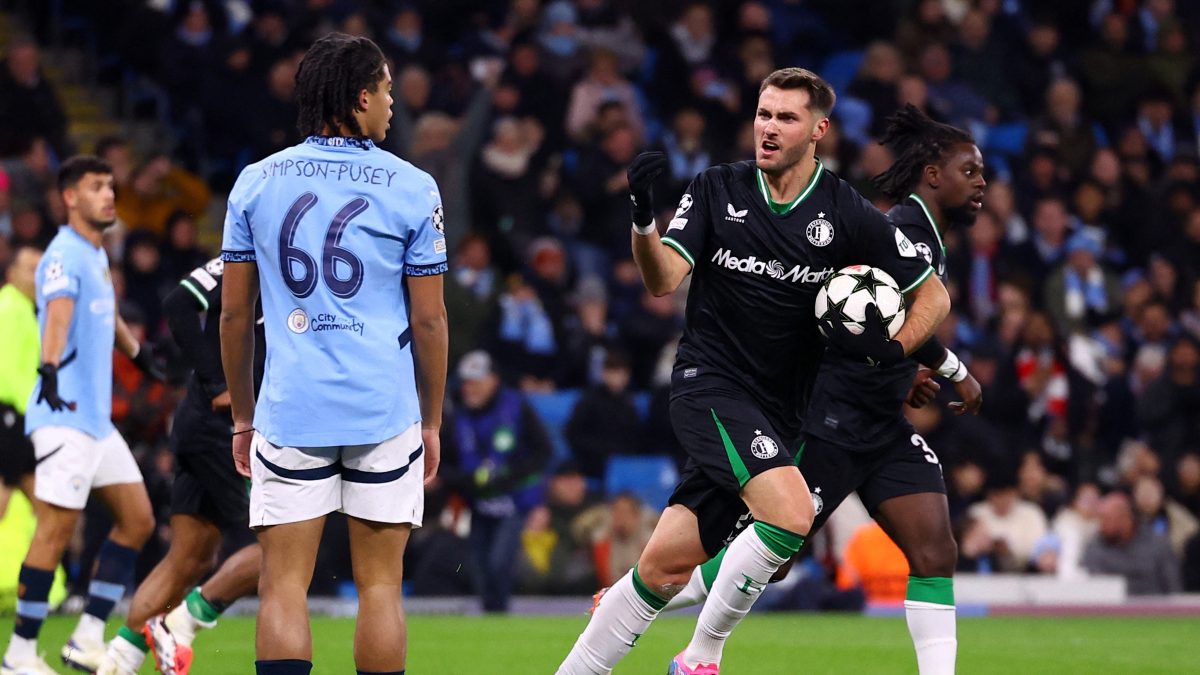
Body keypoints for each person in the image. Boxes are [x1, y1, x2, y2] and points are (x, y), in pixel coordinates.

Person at [556, 67, 950, 675]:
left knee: (661, 569)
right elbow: (662, 281)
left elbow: (933, 298)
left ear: (818, 130)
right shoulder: (717, 188)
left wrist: (896, 351)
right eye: (763, 114)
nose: (768, 127)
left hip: (779, 412)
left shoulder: (845, 212)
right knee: (792, 514)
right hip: (708, 386)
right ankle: (702, 656)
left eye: (786, 118)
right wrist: (642, 219)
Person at [641, 105, 987, 675]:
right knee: (772, 555)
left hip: (882, 427)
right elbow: (853, 313)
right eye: (969, 172)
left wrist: (905, 374)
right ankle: (653, 595)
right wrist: (952, 370)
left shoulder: (931, 238)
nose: (981, 185)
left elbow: (877, 322)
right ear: (932, 173)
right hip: (832, 421)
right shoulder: (900, 231)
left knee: (935, 551)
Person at [220, 32, 448, 675]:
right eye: (386, 90)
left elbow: (235, 315)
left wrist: (243, 414)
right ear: (359, 97)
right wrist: (430, 420)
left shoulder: (256, 182)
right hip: (383, 407)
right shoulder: (413, 186)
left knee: (283, 585)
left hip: (292, 407)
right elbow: (429, 322)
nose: (393, 104)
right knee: (380, 587)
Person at [3, 156, 163, 675]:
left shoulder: (95, 256)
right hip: (64, 417)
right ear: (70, 197)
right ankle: (19, 655)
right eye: (97, 187)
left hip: (95, 423)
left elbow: (107, 315)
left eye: (111, 186)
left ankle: (87, 637)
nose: (108, 195)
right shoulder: (62, 257)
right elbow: (61, 312)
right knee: (53, 529)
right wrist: (48, 366)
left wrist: (140, 355)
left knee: (138, 520)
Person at [98, 256, 266, 675]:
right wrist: (219, 384)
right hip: (226, 428)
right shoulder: (257, 253)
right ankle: (181, 624)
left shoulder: (254, 252)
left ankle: (117, 663)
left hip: (197, 421)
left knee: (188, 558)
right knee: (279, 551)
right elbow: (177, 304)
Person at [439, 350, 553, 612]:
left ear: (493, 381)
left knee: (499, 563)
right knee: (478, 567)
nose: (470, 389)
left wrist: (508, 478)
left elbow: (543, 451)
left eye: (476, 382)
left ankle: (500, 613)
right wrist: (468, 481)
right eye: (466, 382)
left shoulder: (517, 407)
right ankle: (489, 619)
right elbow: (444, 464)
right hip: (477, 504)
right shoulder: (456, 415)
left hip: (514, 502)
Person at [0, 247, 42, 506]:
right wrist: (35, 411)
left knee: (46, 507)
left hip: (19, 417)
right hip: (10, 417)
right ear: (11, 273)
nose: (37, 277)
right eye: (31, 270)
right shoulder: (9, 308)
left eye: (42, 271)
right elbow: (5, 369)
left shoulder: (24, 309)